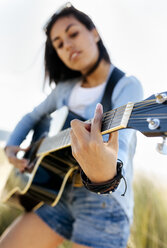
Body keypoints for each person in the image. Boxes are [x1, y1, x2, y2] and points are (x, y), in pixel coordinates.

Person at [1, 3, 143, 248]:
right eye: (58, 43)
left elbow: (121, 147)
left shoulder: (125, 85)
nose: (67, 44)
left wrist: (104, 172)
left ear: (94, 33)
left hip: (103, 206)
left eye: (73, 33)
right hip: (56, 194)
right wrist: (12, 146)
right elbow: (32, 116)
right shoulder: (65, 89)